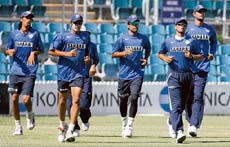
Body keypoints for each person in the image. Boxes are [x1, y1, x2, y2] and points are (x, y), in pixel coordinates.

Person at [158, 18, 203, 143]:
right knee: (176, 106)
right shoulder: (169, 41)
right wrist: (166, 59)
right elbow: (160, 53)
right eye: (179, 24)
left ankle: (171, 121)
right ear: (175, 27)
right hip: (173, 76)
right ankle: (179, 131)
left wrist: (192, 56)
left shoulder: (191, 41)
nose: (182, 26)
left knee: (182, 106)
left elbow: (200, 56)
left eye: (184, 24)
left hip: (188, 76)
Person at [48, 13, 90, 142]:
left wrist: (87, 58)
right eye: (75, 23)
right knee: (62, 101)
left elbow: (87, 51)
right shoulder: (62, 36)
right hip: (64, 73)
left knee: (76, 100)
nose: (77, 25)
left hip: (78, 73)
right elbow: (51, 51)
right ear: (70, 23)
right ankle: (62, 125)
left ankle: (71, 129)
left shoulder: (85, 36)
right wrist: (66, 53)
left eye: (79, 23)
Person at [5, 11, 44, 136]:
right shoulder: (13, 34)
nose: (29, 20)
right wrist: (9, 52)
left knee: (26, 99)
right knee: (14, 99)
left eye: (31, 18)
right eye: (27, 18)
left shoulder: (35, 34)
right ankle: (17, 126)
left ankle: (30, 114)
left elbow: (42, 49)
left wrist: (34, 52)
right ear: (21, 19)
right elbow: (7, 49)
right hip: (15, 71)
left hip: (30, 71)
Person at [111, 15, 151, 138]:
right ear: (128, 25)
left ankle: (130, 125)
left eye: (137, 24)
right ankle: (124, 122)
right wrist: (123, 53)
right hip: (124, 74)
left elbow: (148, 48)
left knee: (134, 98)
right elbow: (113, 54)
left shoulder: (143, 39)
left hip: (137, 73)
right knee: (123, 100)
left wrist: (146, 59)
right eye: (133, 24)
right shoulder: (122, 39)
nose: (135, 26)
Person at [185, 4, 218, 137]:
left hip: (203, 67)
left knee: (198, 96)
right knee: (188, 97)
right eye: (199, 11)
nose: (201, 13)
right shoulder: (188, 30)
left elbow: (214, 42)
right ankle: (190, 120)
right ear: (194, 14)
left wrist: (212, 53)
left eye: (203, 11)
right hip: (188, 67)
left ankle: (194, 125)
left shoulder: (209, 29)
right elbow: (181, 43)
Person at [66, 26, 99, 137]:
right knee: (69, 104)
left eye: (87, 34)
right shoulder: (71, 44)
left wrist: (93, 66)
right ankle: (74, 127)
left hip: (85, 77)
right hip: (71, 76)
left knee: (84, 104)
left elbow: (96, 59)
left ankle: (85, 119)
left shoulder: (92, 46)